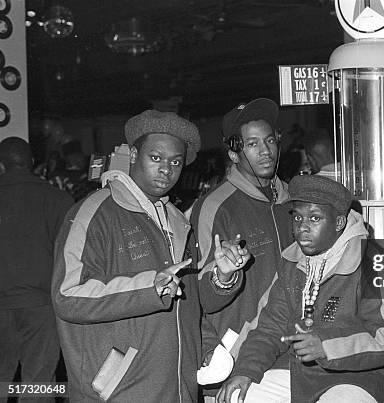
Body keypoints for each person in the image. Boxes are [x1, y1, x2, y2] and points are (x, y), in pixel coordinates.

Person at [52, 110, 249, 402]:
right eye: (156, 158)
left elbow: (192, 302)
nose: (166, 170)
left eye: (175, 162)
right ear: (133, 154)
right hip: (119, 390)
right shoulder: (95, 212)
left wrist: (223, 276)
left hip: (178, 387)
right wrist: (149, 287)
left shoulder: (179, 222)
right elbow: (67, 296)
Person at [217, 175, 384, 403]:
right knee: (238, 397)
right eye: (297, 217)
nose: (302, 228)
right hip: (300, 373)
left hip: (359, 377)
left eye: (314, 218)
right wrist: (246, 370)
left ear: (339, 223)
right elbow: (270, 327)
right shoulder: (291, 262)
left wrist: (326, 346)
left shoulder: (374, 263)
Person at [188, 98, 293, 396]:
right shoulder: (215, 206)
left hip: (290, 354)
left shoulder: (294, 202)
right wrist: (223, 276)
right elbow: (203, 298)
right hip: (238, 360)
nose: (265, 151)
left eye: (270, 140)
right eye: (252, 143)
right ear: (234, 153)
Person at [0, 137, 73, 401]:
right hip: (41, 306)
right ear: (32, 162)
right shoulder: (58, 199)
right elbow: (70, 255)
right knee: (38, 382)